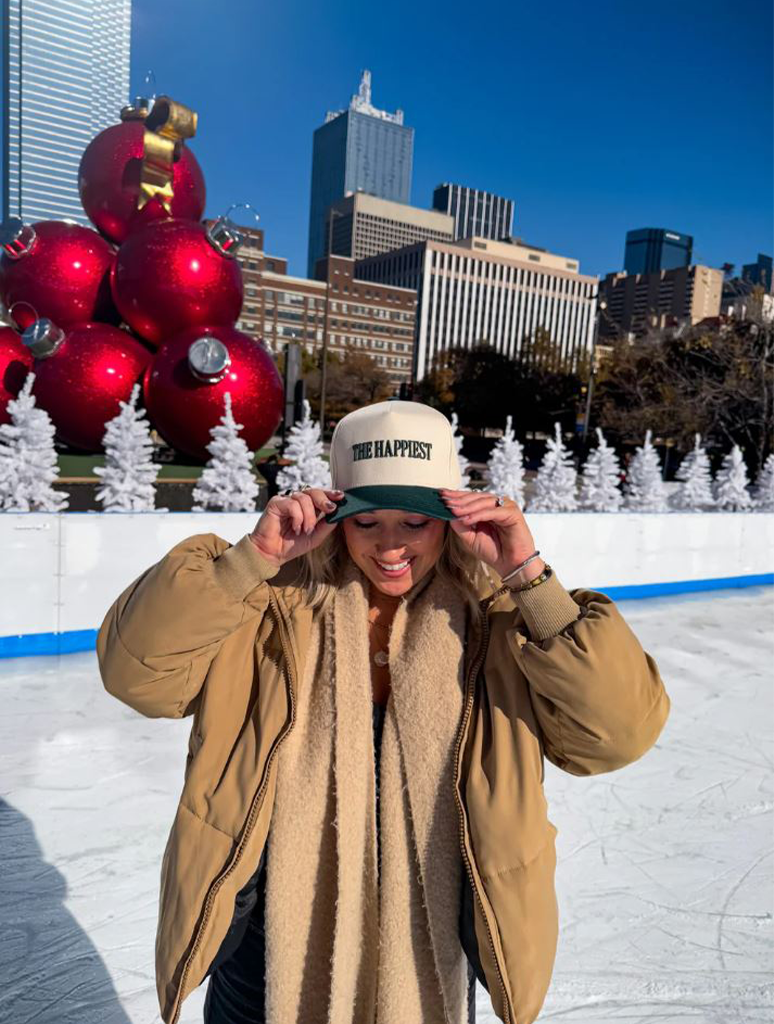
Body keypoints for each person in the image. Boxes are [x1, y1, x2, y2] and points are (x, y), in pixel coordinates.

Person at [97, 400, 671, 1024]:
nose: (390, 545)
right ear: (336, 513)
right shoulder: (268, 606)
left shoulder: (500, 623)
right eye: (367, 521)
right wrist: (248, 563)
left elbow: (616, 735)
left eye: (415, 522)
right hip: (267, 960)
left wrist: (527, 575)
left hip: (431, 953)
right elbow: (137, 676)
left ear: (449, 520)